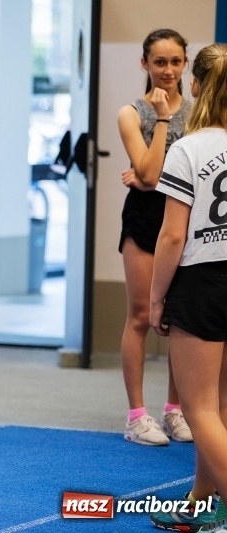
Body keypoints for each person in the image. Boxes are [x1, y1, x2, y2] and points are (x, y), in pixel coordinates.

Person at [148, 42, 227, 533]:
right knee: (218, 409)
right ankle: (202, 499)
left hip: (203, 282)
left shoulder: (188, 148)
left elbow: (173, 234)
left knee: (198, 409)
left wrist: (158, 298)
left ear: (195, 85)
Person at [116, 28, 192, 446]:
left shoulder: (199, 112)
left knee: (180, 319)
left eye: (175, 62)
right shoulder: (133, 113)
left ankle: (176, 409)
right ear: (144, 64)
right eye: (159, 62)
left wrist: (149, 177)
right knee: (143, 316)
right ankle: (137, 416)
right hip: (144, 222)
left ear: (185, 63)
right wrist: (163, 119)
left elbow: (160, 174)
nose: (167, 70)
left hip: (185, 220)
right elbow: (146, 174)